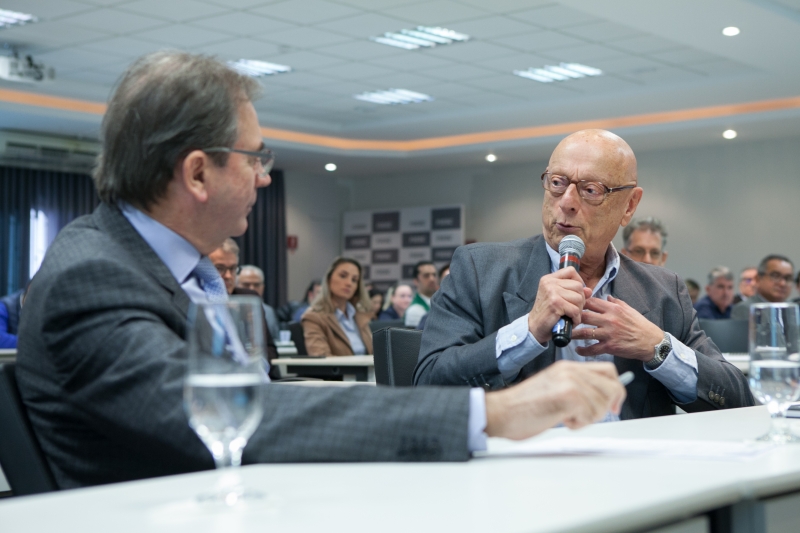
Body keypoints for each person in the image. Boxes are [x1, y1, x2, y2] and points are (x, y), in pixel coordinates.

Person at [15, 52, 626, 489]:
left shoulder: (175, 269)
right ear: (197, 174)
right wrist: (493, 414)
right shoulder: (90, 276)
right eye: (256, 158)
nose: (264, 176)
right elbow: (240, 419)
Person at [415, 128, 753, 419]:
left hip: (636, 478)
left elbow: (737, 401)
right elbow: (427, 385)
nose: (567, 202)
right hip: (519, 477)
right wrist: (528, 331)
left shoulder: (663, 290)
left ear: (629, 206)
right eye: (558, 183)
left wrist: (657, 347)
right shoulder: (478, 269)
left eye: (591, 190)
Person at [301, 257, 373, 356]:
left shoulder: (360, 316)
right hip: (343, 372)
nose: (349, 283)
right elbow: (321, 357)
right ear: (328, 279)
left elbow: (374, 354)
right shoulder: (313, 317)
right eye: (343, 276)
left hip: (371, 371)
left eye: (354, 280)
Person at [731, 255, 795, 320]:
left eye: (788, 278)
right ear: (758, 279)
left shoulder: (794, 309)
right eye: (775, 276)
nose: (782, 283)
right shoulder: (746, 309)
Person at [238, 263, 281, 341]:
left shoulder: (268, 311)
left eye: (256, 285)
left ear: (263, 288)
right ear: (236, 285)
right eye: (246, 285)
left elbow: (275, 341)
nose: (252, 289)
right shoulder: (228, 309)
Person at [405, 261, 439, 327]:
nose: (432, 279)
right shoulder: (414, 310)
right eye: (426, 275)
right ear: (416, 281)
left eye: (434, 275)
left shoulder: (439, 301)